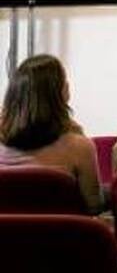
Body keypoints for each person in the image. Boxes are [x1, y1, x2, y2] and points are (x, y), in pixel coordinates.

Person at [0, 54, 103, 212]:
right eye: (64, 80)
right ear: (60, 93)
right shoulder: (80, 147)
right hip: (60, 229)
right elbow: (94, 206)